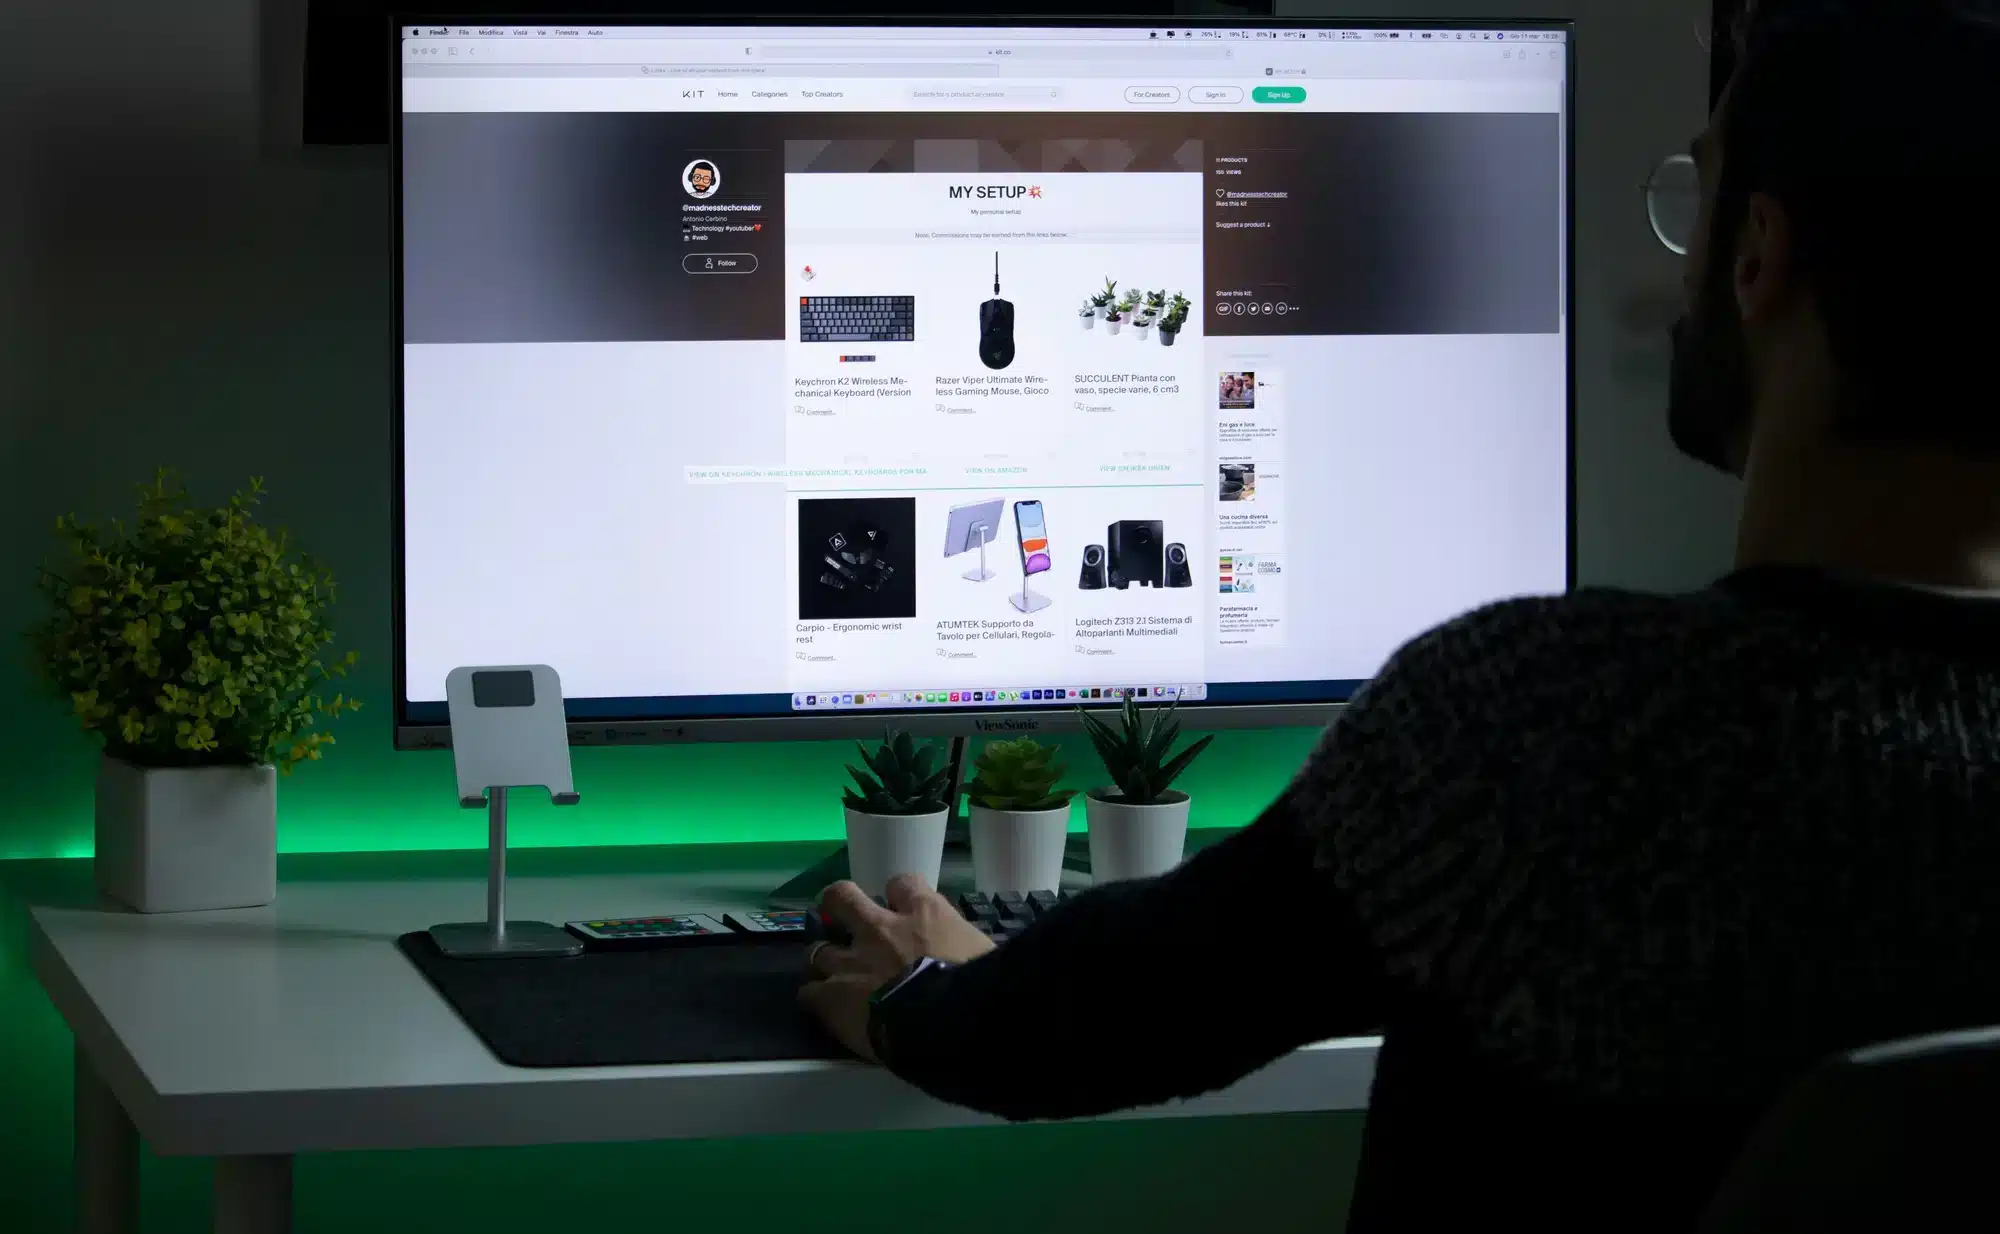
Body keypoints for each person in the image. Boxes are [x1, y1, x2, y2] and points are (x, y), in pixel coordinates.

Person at [799, 2, 2000, 1230]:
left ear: (1756, 252)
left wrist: (921, 994)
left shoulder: (1554, 720)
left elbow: (1107, 1020)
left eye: (1694, 192)